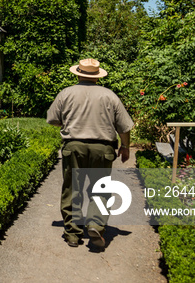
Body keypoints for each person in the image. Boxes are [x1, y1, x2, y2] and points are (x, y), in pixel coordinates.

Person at [46, 58, 133, 248]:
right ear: (97, 76)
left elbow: (52, 119)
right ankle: (95, 224)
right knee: (99, 189)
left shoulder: (66, 93)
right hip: (103, 149)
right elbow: (124, 126)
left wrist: (69, 122)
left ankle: (73, 234)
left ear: (78, 73)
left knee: (72, 189)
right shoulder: (110, 96)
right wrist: (125, 146)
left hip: (73, 146)